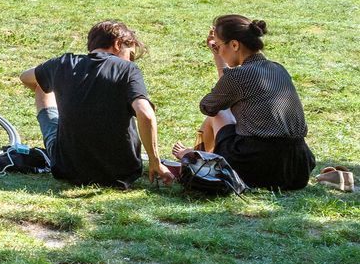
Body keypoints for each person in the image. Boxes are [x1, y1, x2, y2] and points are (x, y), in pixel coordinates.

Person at [17, 20, 174, 188]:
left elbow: (25, 77)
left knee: (42, 85)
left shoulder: (63, 63)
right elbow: (146, 114)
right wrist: (155, 161)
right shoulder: (128, 70)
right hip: (121, 173)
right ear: (117, 43)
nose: (130, 60)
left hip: (67, 169)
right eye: (130, 55)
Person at [177, 14, 314, 190]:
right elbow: (230, 87)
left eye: (219, 46)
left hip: (257, 166)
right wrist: (218, 55)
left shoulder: (238, 76)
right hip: (298, 169)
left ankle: (198, 161)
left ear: (234, 45)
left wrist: (221, 66)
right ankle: (201, 158)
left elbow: (209, 106)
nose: (218, 51)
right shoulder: (278, 68)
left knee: (218, 114)